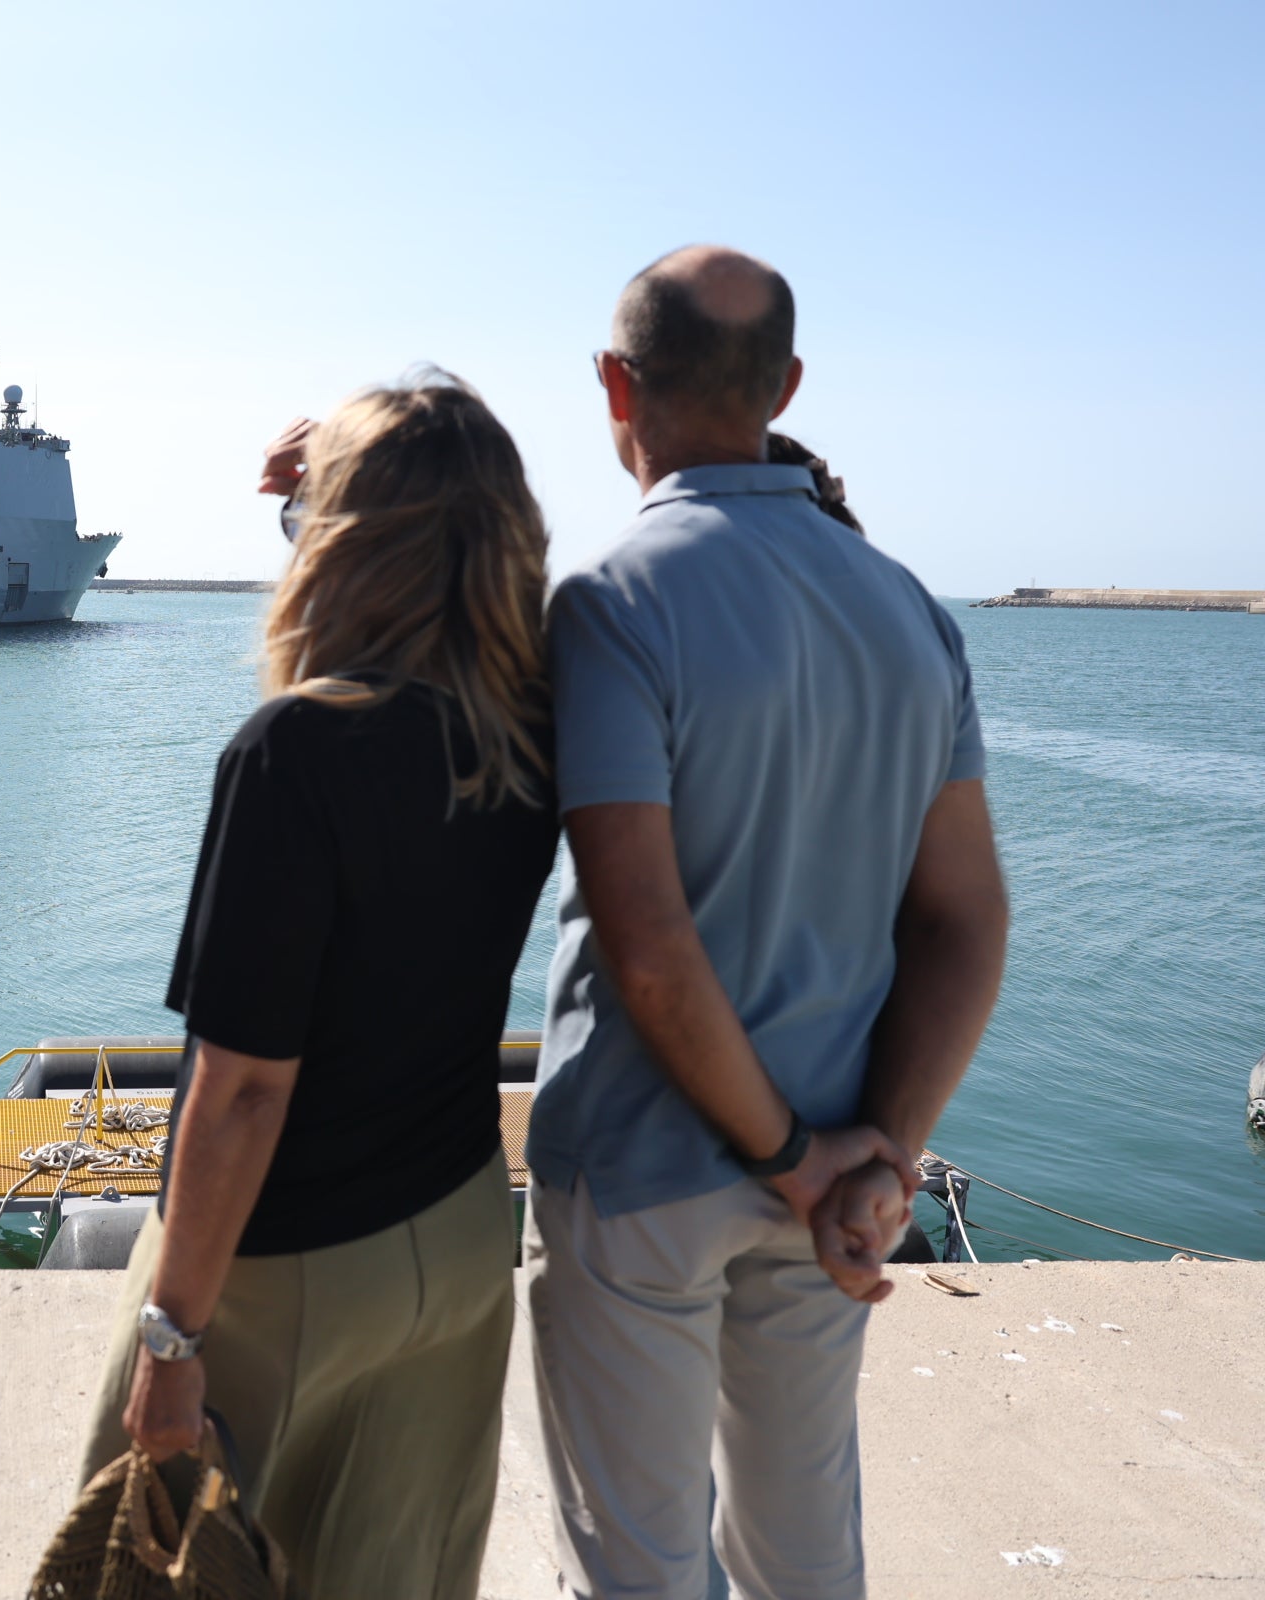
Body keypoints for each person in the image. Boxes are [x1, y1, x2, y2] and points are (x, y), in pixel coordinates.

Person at [530, 246, 1009, 1598]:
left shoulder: (615, 603)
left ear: (615, 385)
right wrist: (874, 1161)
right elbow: (968, 925)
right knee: (805, 1562)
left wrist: (794, 1155)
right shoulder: (911, 614)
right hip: (835, 1182)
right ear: (787, 384)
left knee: (638, 1569)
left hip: (641, 1175)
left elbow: (650, 950)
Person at [76, 371, 559, 1599]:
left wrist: (174, 1334)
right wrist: (322, 496)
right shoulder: (530, 733)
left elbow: (239, 1092)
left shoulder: (293, 750)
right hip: (454, 1241)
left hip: (279, 1266)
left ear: (344, 543)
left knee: (149, 1559)